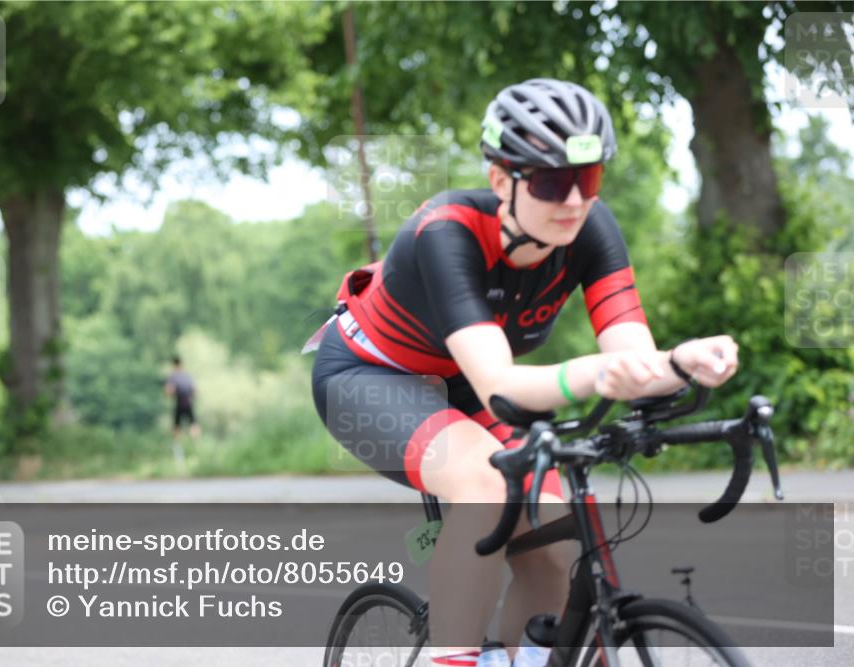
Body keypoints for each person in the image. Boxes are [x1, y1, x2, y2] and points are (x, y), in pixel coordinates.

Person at [309, 79, 739, 667]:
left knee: (556, 548)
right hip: (370, 375)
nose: (573, 201)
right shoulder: (447, 231)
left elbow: (633, 358)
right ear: (500, 180)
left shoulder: (591, 228)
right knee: (485, 485)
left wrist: (682, 363)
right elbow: (500, 385)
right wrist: (598, 373)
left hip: (464, 380)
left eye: (588, 179)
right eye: (550, 182)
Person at [166, 356, 201, 443]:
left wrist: (172, 392)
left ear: (174, 365)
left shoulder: (173, 377)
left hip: (180, 402)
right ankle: (195, 443)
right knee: (193, 423)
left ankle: (178, 444)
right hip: (188, 402)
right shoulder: (187, 376)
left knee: (176, 426)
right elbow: (195, 392)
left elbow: (169, 391)